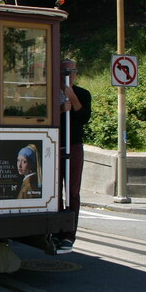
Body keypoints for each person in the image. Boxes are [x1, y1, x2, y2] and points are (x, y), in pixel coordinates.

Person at [56, 59, 92, 254]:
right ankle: (55, 231)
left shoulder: (83, 94)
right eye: (64, 71)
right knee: (54, 192)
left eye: (71, 71)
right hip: (54, 146)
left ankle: (69, 234)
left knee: (72, 192)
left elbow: (84, 117)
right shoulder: (51, 93)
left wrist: (73, 98)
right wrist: (60, 109)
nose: (68, 74)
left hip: (74, 145)